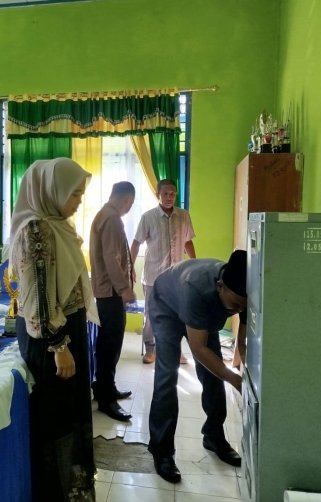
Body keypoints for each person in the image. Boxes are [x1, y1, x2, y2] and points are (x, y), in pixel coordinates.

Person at [7, 157, 97, 501]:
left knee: (67, 412)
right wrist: (59, 345)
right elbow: (38, 296)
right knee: (55, 418)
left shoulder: (57, 225)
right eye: (74, 194)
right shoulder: (37, 229)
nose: (78, 201)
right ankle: (52, 493)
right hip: (50, 337)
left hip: (63, 329)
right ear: (51, 191)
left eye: (80, 194)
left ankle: (65, 488)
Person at [147, 249, 248, 483]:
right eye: (234, 306)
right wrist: (234, 379)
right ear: (220, 287)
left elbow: (242, 343)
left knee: (214, 375)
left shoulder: (243, 292)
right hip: (166, 306)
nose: (237, 311)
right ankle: (162, 451)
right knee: (167, 375)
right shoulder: (196, 289)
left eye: (242, 308)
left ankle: (213, 435)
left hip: (202, 312)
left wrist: (251, 374)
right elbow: (199, 350)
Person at [130, 179, 196, 364]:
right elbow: (136, 243)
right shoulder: (148, 217)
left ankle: (175, 350)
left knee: (177, 314)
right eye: (165, 194)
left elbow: (188, 241)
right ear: (158, 194)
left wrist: (194, 264)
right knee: (152, 315)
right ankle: (151, 349)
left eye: (173, 194)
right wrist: (130, 268)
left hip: (177, 278)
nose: (169, 197)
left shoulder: (183, 216)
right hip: (153, 277)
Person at [89, 181, 137, 422]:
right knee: (110, 344)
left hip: (107, 290)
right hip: (111, 292)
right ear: (127, 199)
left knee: (108, 343)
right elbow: (111, 256)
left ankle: (105, 388)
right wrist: (124, 288)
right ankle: (106, 399)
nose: (129, 207)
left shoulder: (105, 215)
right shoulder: (112, 218)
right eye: (131, 203)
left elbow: (115, 255)